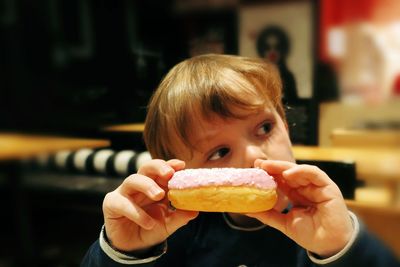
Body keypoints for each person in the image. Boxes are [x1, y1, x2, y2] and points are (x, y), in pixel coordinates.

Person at [81, 54, 399, 267]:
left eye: (264, 128)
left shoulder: (327, 222)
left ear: (285, 125)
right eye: (219, 152)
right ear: (178, 175)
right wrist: (123, 252)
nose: (256, 155)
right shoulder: (170, 233)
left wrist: (341, 248)